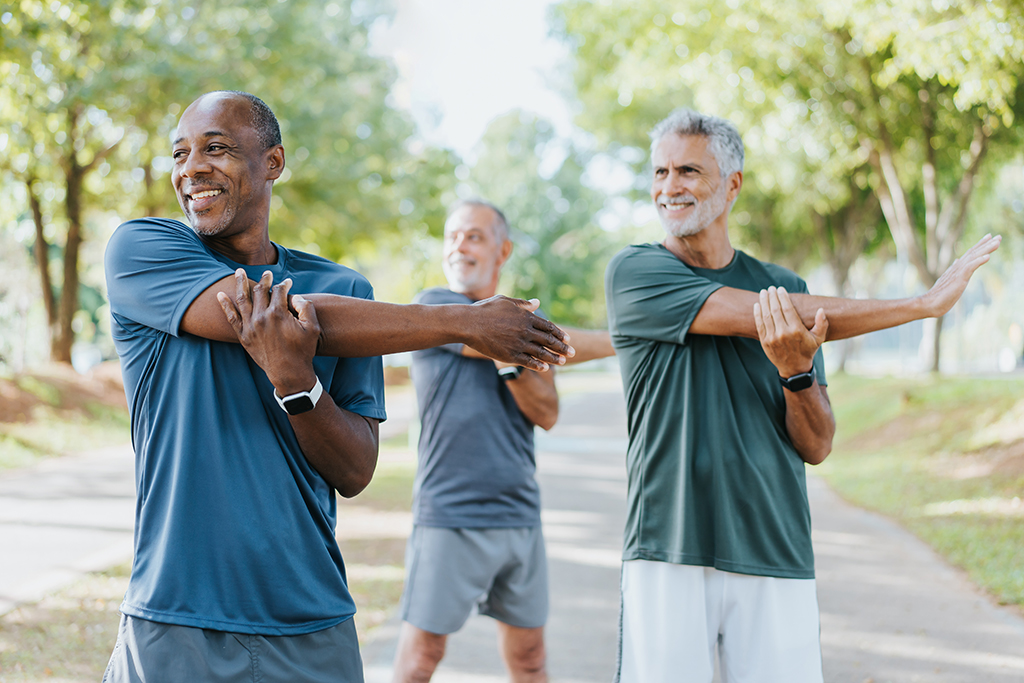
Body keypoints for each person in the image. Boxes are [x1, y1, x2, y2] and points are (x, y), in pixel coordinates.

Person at [101, 91, 573, 683]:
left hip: (313, 621)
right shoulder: (145, 251)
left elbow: (353, 472)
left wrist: (298, 384)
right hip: (177, 617)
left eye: (216, 148)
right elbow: (267, 314)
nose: (192, 167)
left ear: (271, 162)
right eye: (180, 153)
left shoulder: (346, 288)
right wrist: (463, 320)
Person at [604, 108, 1001, 683]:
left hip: (774, 544)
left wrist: (796, 374)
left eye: (688, 170)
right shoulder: (636, 273)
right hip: (669, 543)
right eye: (660, 172)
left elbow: (816, 446)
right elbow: (762, 316)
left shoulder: (788, 286)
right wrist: (920, 305)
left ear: (732, 183)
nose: (670, 187)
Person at [391, 200, 614, 683]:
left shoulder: (525, 325)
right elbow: (498, 337)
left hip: (518, 515)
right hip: (449, 516)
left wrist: (511, 358)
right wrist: (622, 339)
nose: (459, 246)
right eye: (452, 236)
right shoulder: (432, 307)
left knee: (531, 661)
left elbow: (547, 414)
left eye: (473, 236)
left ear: (503, 250)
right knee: (419, 661)